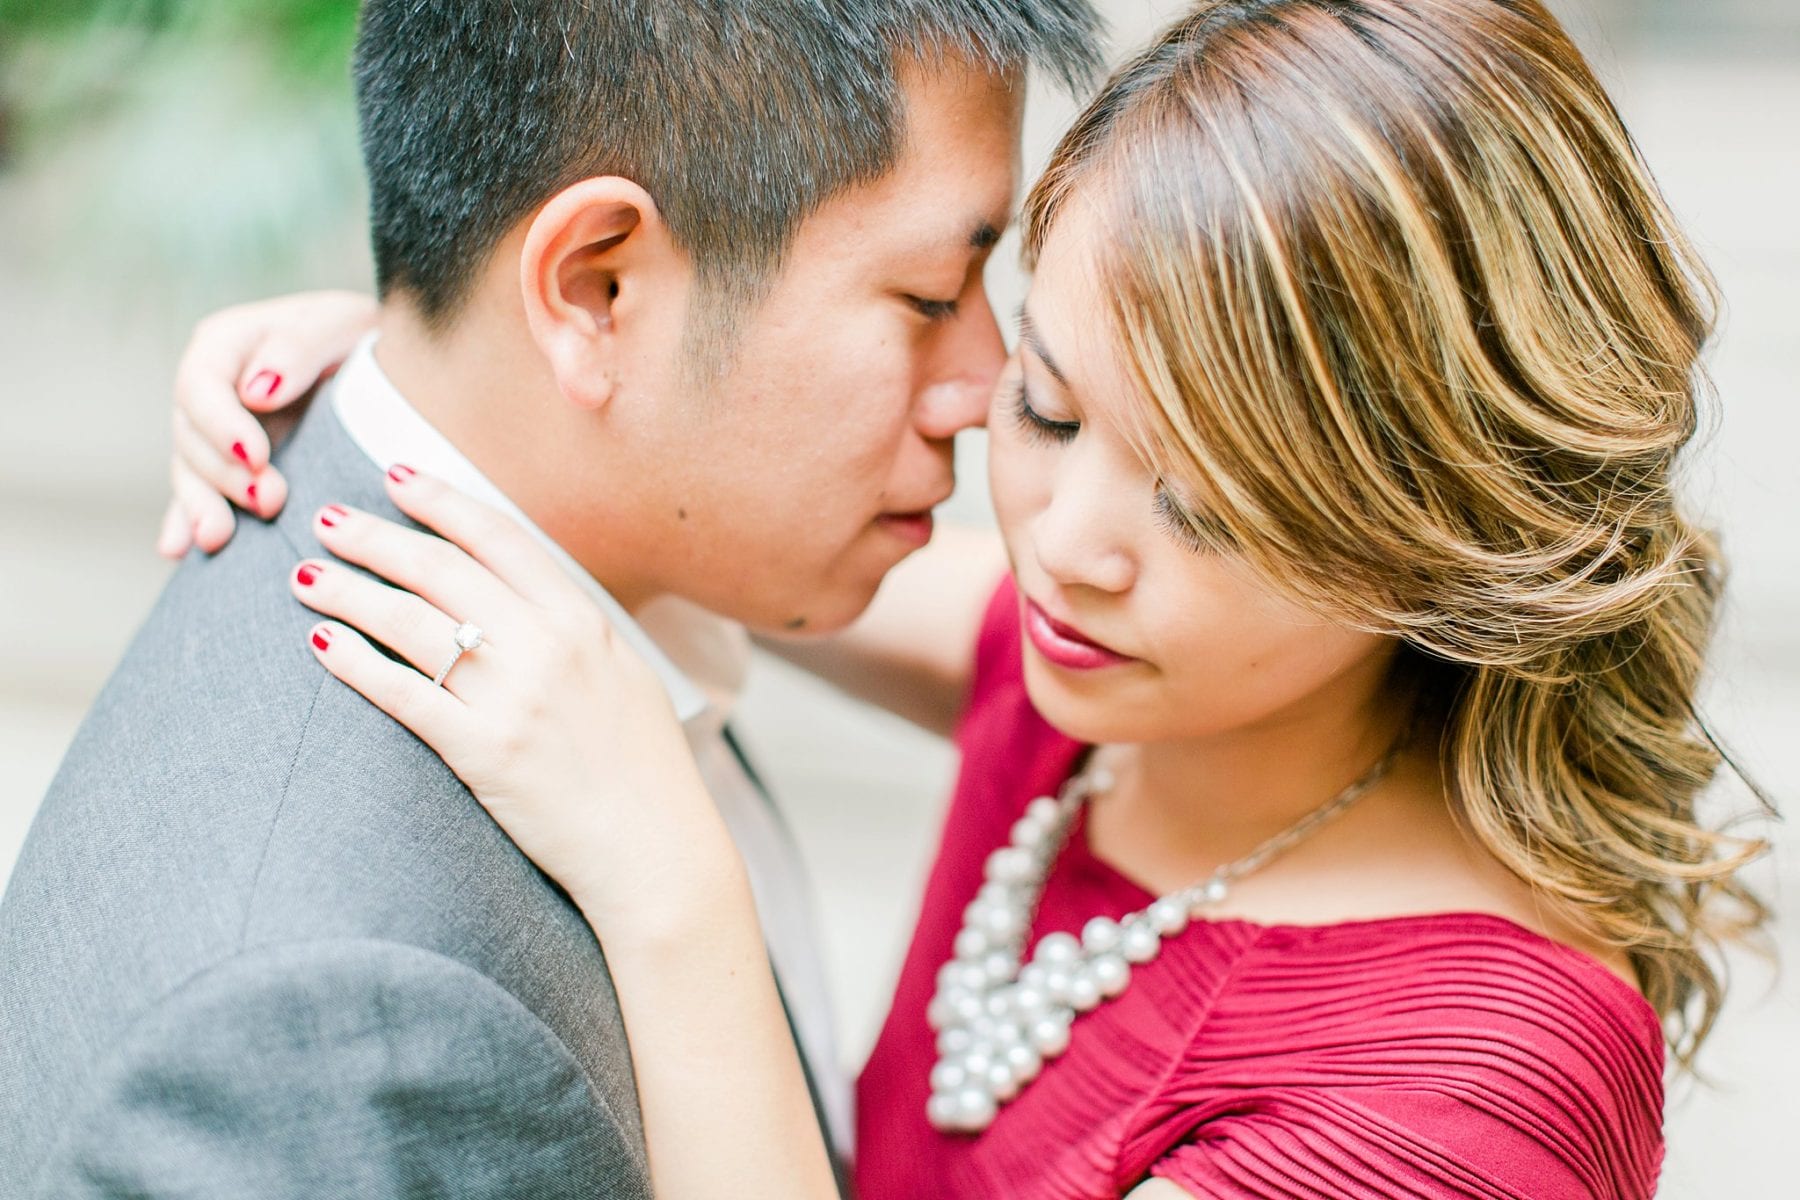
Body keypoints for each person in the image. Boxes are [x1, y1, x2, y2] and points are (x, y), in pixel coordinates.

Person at [146, 0, 1772, 1197]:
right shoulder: (1127, 685)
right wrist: (449, 351)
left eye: (1207, 505)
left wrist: (669, 882)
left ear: (1447, 535)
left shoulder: (1451, 1107)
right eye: (1053, 407)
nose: (1066, 540)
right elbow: (718, 501)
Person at [0, 2, 1102, 1197]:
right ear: (594, 286)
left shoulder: (648, 557)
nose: (988, 386)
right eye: (935, 296)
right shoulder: (334, 1026)